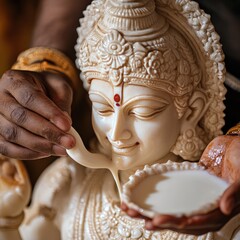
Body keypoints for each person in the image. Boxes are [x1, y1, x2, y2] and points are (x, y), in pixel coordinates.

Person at [0, 0, 240, 239]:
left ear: (191, 112)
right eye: (103, 108)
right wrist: (6, 219)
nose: (116, 133)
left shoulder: (215, 193)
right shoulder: (67, 182)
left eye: (143, 112)